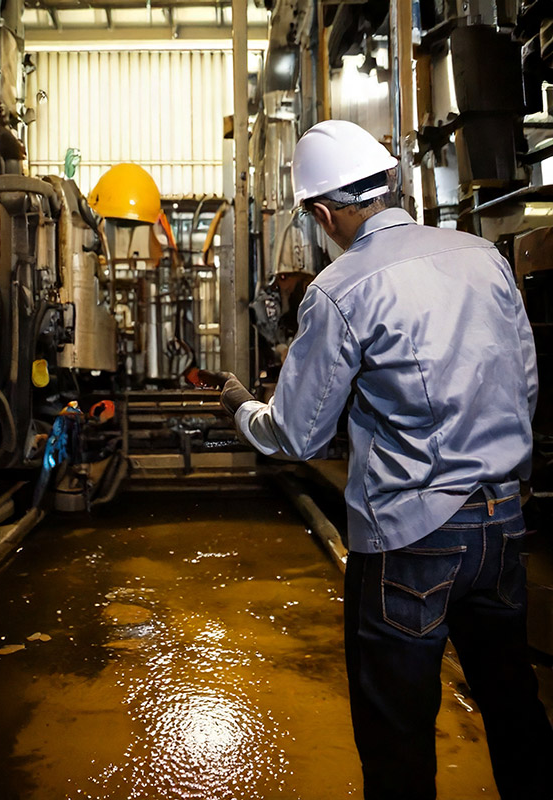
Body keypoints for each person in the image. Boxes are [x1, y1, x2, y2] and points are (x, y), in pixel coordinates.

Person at [213, 119, 553, 799]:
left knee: (396, 736)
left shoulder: (340, 289)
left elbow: (299, 434)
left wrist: (243, 408)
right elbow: (526, 380)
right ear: (387, 182)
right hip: (501, 524)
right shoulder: (482, 257)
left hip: (410, 538)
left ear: (320, 213)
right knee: (516, 709)